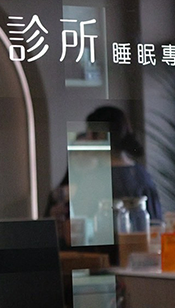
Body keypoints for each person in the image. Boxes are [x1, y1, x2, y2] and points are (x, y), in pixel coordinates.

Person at [46, 106, 162, 248]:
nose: (87, 141)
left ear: (100, 136)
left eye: (89, 134)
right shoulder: (142, 174)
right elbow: (156, 225)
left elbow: (80, 235)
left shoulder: (95, 179)